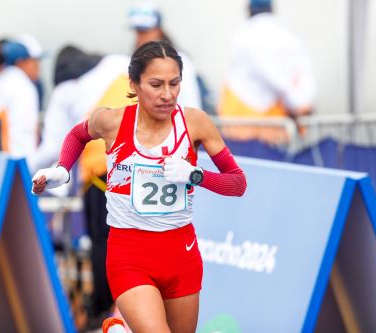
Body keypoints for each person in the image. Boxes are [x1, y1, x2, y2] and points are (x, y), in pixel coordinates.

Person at [32, 40, 247, 332]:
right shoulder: (112, 121)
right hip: (130, 254)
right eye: (156, 85)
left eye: (174, 83)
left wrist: (195, 175)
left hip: (181, 255)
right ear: (133, 84)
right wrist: (62, 169)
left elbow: (238, 183)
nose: (167, 95)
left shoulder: (195, 123)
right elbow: (78, 134)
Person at [28, 45, 132, 326]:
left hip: (104, 169)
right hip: (146, 162)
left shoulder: (65, 91)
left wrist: (20, 165)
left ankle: (102, 313)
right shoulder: (117, 60)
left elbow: (52, 147)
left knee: (104, 242)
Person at [218, 0, 316, 144]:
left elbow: (271, 76)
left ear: (249, 10)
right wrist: (298, 104)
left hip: (241, 125)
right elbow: (302, 76)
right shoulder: (288, 38)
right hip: (274, 127)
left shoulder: (243, 36)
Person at [128, 1, 208, 112]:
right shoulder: (132, 61)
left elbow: (192, 106)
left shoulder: (180, 60)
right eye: (137, 31)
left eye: (145, 31)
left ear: (158, 30)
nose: (140, 37)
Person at [0, 35, 43, 158]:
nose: (38, 67)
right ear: (21, 62)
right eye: (34, 61)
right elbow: (23, 139)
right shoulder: (23, 85)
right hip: (12, 166)